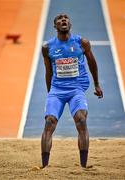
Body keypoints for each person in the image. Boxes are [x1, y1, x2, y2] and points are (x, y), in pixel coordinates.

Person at [41, 13, 103, 168]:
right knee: (49, 122)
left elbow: (92, 62)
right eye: (59, 19)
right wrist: (50, 93)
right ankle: (45, 166)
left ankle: (83, 166)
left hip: (76, 89)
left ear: (70, 24)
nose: (63, 20)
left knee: (81, 120)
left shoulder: (82, 42)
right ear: (55, 26)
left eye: (66, 18)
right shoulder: (47, 47)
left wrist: (96, 84)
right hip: (57, 90)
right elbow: (48, 71)